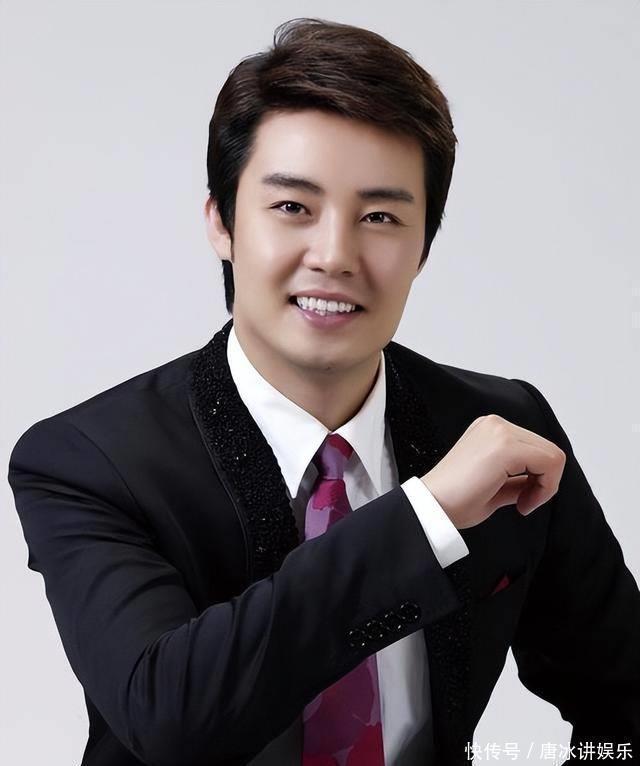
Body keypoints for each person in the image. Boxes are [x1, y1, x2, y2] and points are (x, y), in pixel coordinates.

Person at [7, 17, 640, 766]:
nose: (336, 255)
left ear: (424, 247)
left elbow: (623, 699)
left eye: (380, 217)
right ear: (221, 222)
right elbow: (173, 717)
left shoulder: (503, 428)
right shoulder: (86, 460)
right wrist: (427, 518)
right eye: (292, 208)